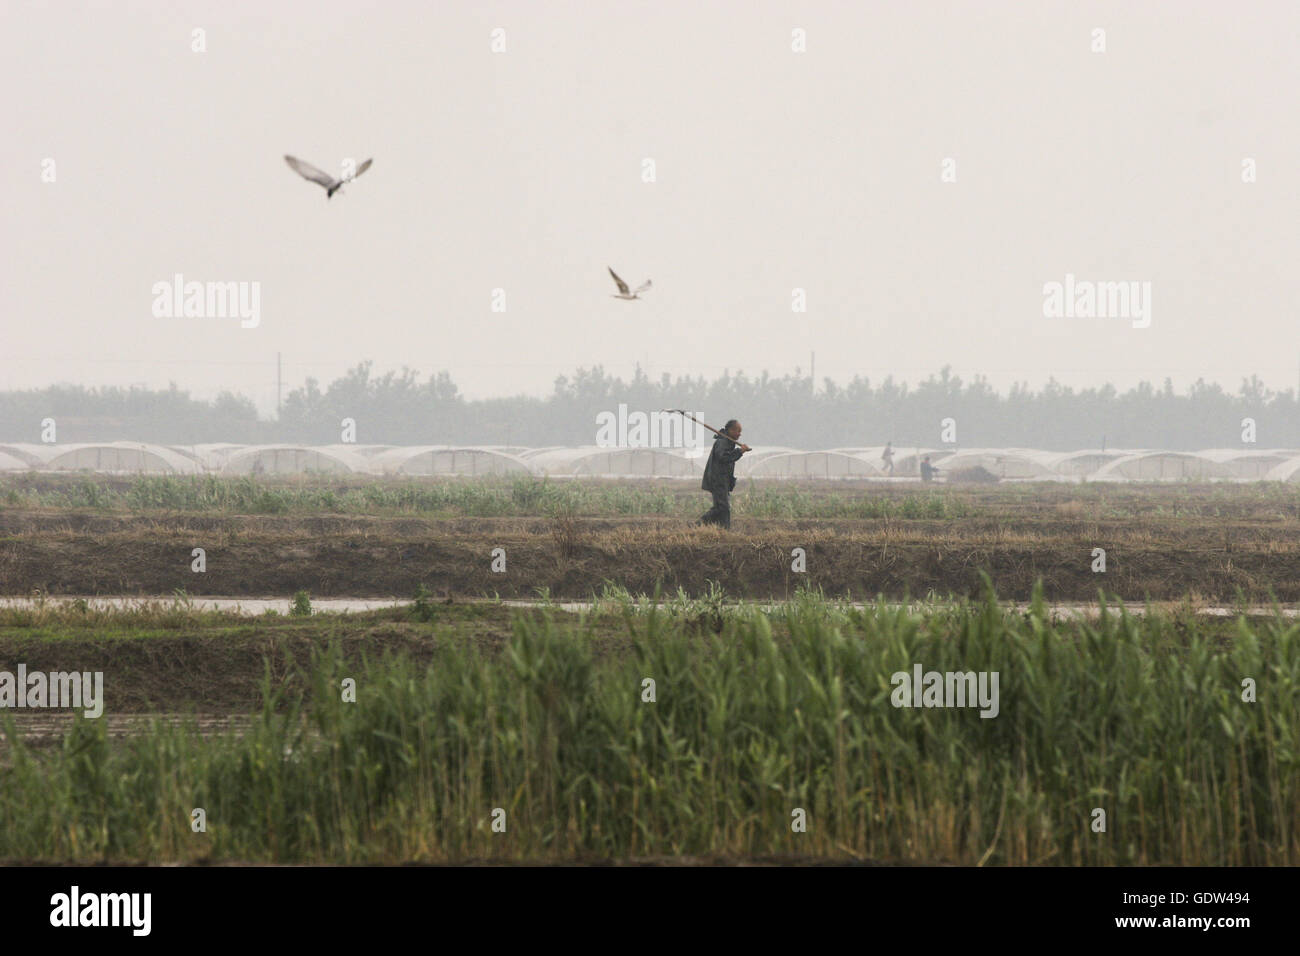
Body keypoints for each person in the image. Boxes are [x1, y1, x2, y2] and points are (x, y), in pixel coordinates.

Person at [698, 420, 750, 529]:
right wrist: (740, 451)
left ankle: (722, 530)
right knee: (722, 507)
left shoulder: (728, 442)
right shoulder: (722, 442)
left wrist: (739, 451)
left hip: (723, 480)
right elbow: (724, 457)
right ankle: (699, 525)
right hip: (718, 480)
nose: (739, 434)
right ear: (730, 430)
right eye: (737, 431)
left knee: (721, 508)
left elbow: (728, 457)